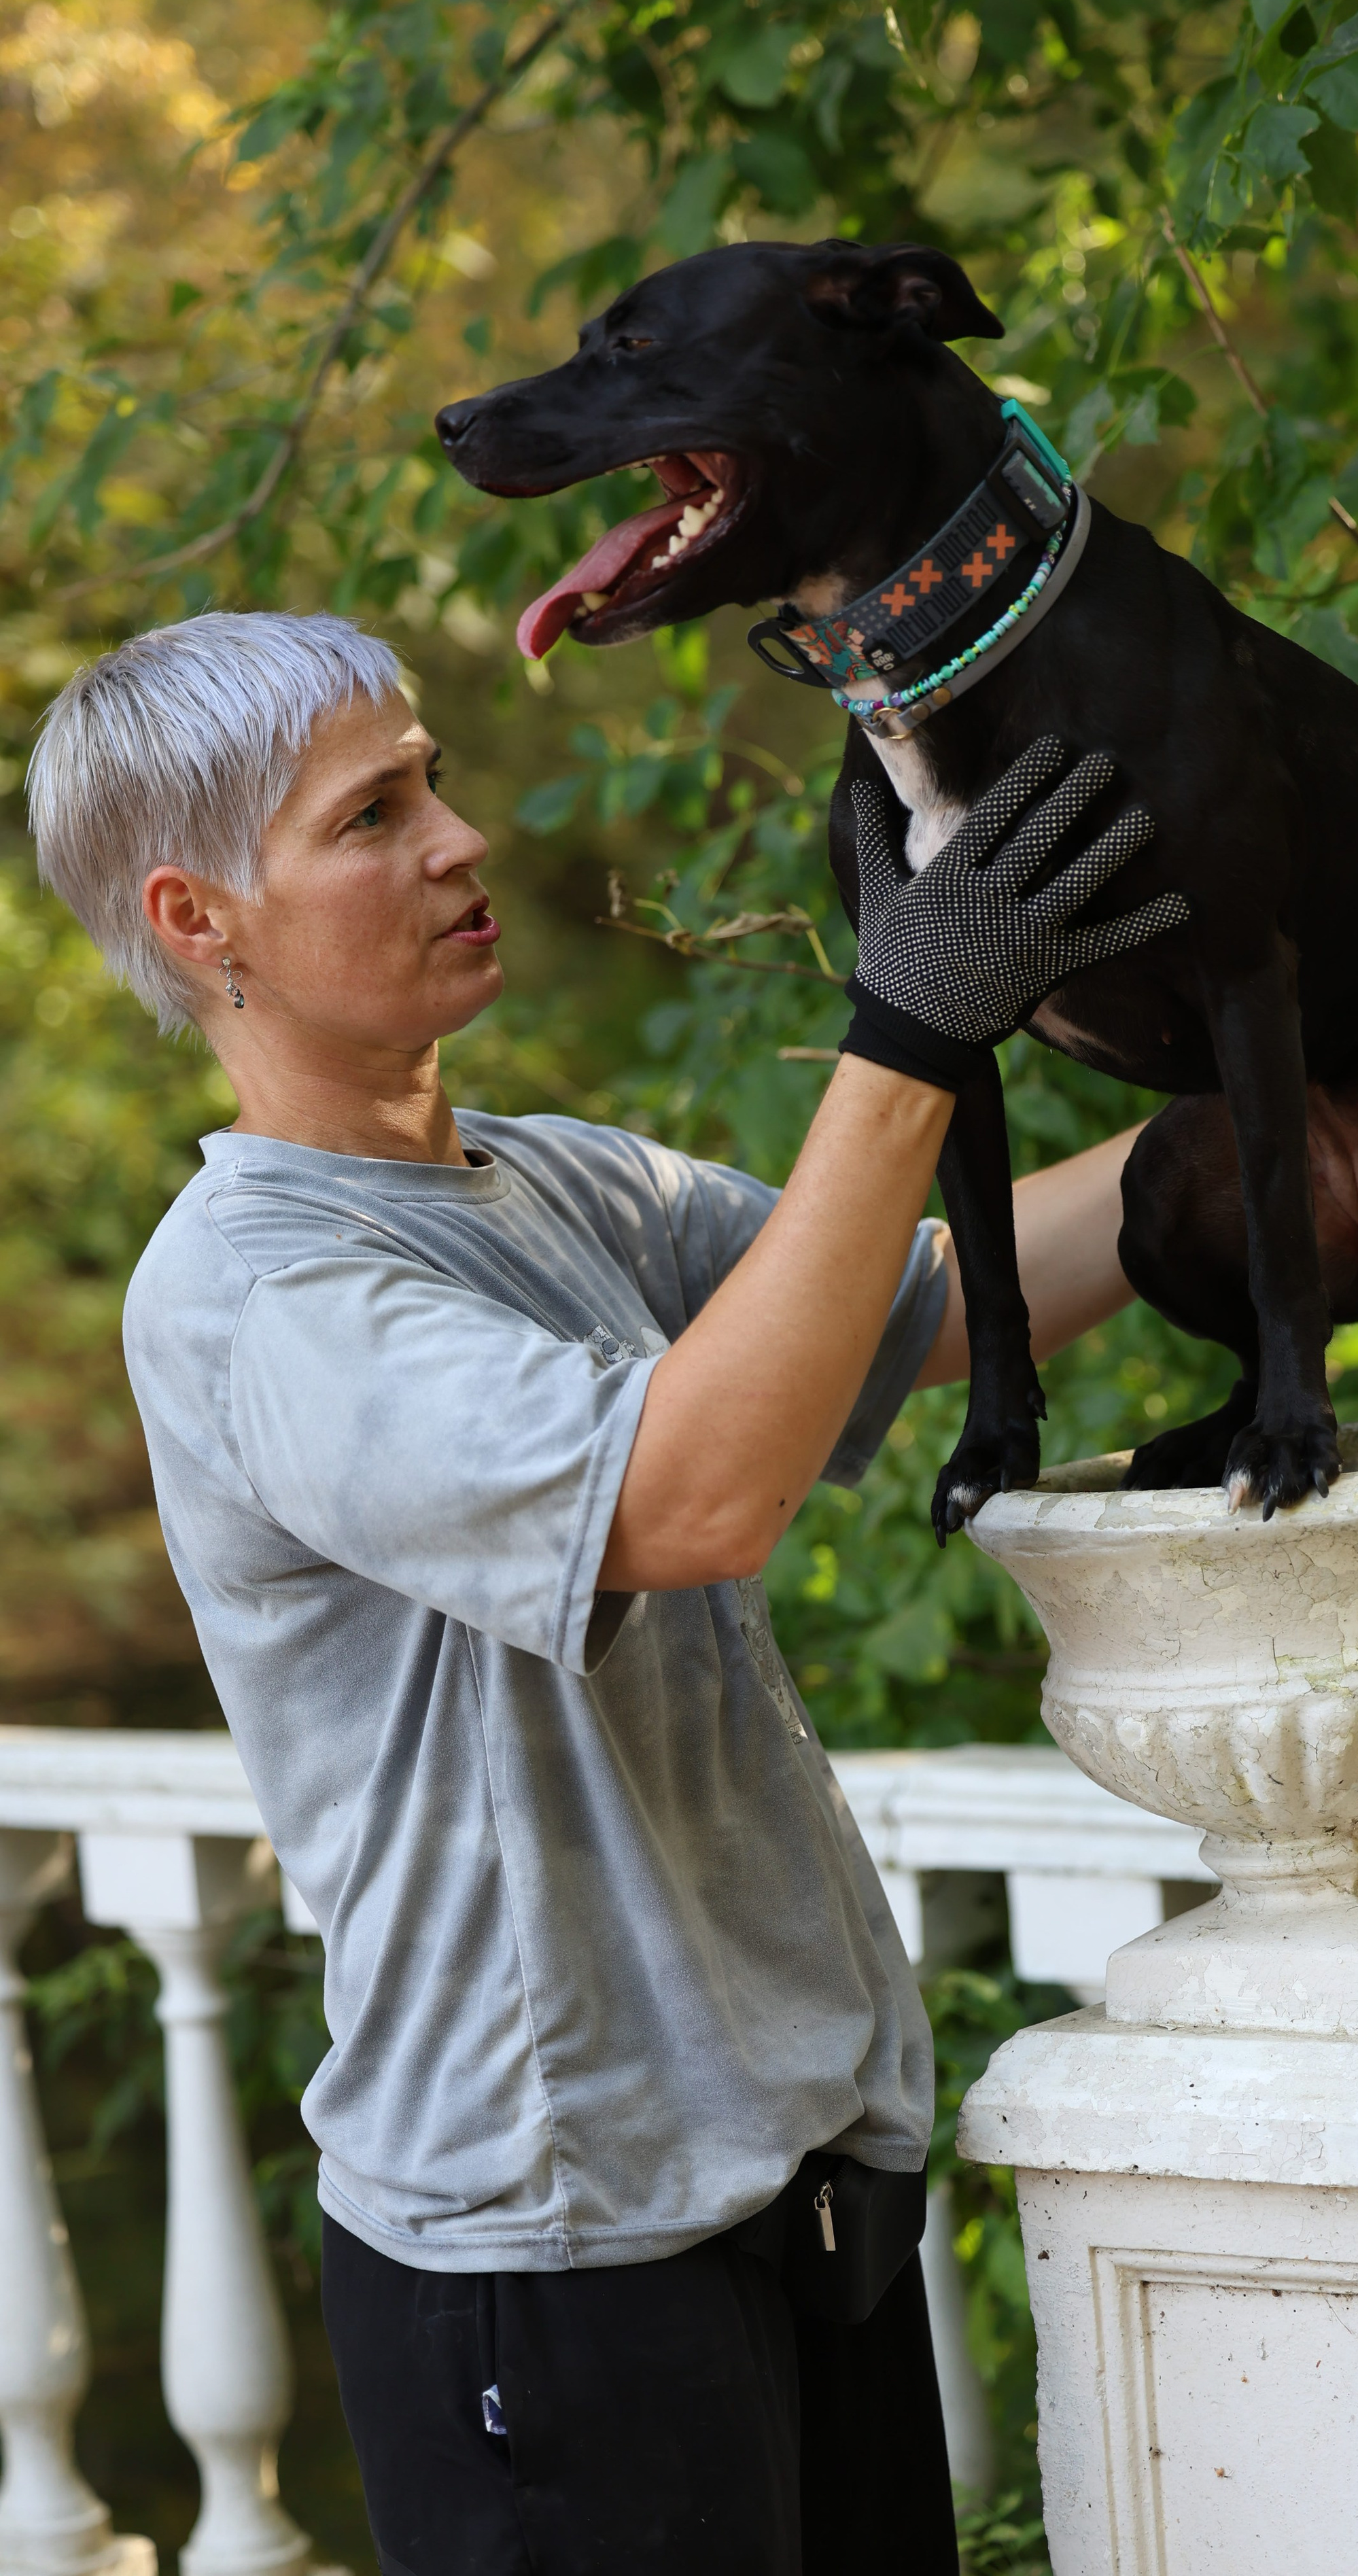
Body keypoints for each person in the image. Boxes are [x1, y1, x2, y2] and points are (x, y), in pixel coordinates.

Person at [27, 610, 1186, 2576]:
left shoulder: (554, 1183)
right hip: (553, 2270)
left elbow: (911, 1303)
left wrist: (1291, 1136)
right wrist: (908, 1029)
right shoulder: (260, 1300)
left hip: (795, 2195)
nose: (460, 840)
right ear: (198, 917)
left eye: (438, 783)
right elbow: (698, 1492)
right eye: (374, 814)